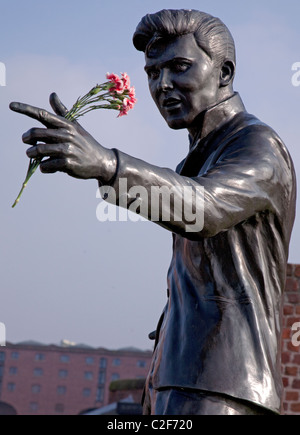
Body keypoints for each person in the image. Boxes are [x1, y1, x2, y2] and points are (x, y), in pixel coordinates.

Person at [10, 9, 296, 415]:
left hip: (225, 388)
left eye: (179, 67)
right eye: (152, 72)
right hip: (180, 380)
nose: (163, 85)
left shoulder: (257, 145)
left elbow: (204, 209)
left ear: (224, 73)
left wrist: (107, 165)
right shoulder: (196, 161)